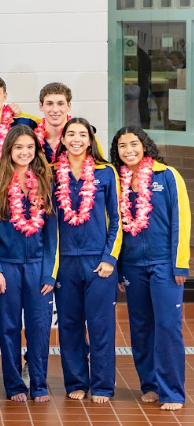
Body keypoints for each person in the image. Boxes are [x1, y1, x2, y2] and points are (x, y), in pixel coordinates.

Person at [111, 126, 190, 411]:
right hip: (132, 266)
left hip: (164, 265)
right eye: (122, 145)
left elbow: (181, 220)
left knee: (167, 327)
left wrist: (180, 263)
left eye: (134, 143)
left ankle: (172, 392)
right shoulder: (118, 181)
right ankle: (151, 385)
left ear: (145, 145)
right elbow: (115, 229)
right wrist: (119, 268)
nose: (128, 149)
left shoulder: (167, 175)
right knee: (141, 327)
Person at [0, 125, 57, 402]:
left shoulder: (45, 182)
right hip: (7, 267)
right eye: (18, 147)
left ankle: (38, 384)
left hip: (37, 267)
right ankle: (13, 385)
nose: (24, 152)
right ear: (9, 150)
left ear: (36, 151)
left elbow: (52, 233)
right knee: (9, 327)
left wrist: (49, 273)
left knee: (39, 327)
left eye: (29, 147)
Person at [53, 118, 121, 403]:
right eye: (71, 134)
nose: (77, 139)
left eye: (83, 134)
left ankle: (103, 385)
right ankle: (76, 382)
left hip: (98, 261)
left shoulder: (106, 173)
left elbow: (118, 219)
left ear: (91, 139)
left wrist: (110, 258)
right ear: (64, 139)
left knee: (100, 324)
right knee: (69, 326)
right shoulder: (51, 173)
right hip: (64, 261)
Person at [35, 82, 73, 163]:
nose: (55, 110)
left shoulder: (82, 138)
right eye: (49, 104)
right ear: (41, 106)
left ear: (69, 106)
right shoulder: (31, 137)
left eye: (60, 104)